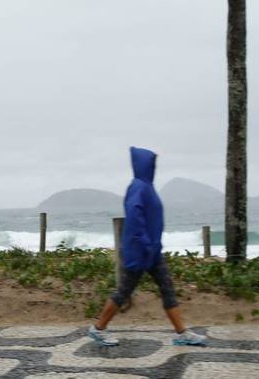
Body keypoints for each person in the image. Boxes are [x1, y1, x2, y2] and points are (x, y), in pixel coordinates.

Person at [87, 146, 207, 347]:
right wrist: (145, 244)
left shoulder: (146, 186)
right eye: (152, 163)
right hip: (140, 252)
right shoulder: (138, 187)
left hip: (152, 251)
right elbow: (134, 219)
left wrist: (153, 246)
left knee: (167, 288)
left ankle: (182, 333)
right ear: (144, 164)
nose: (154, 166)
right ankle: (98, 329)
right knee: (124, 291)